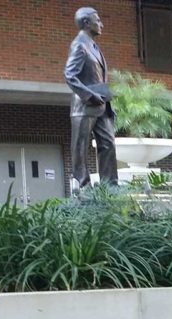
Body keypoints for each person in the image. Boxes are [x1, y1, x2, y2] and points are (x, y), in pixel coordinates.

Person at [65, 7, 118, 190]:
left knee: (108, 143)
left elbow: (98, 78)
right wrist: (90, 96)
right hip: (85, 105)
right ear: (87, 23)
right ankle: (83, 186)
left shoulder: (93, 46)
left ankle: (110, 186)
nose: (101, 24)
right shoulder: (79, 44)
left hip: (102, 106)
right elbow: (70, 75)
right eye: (98, 20)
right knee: (80, 146)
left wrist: (107, 101)